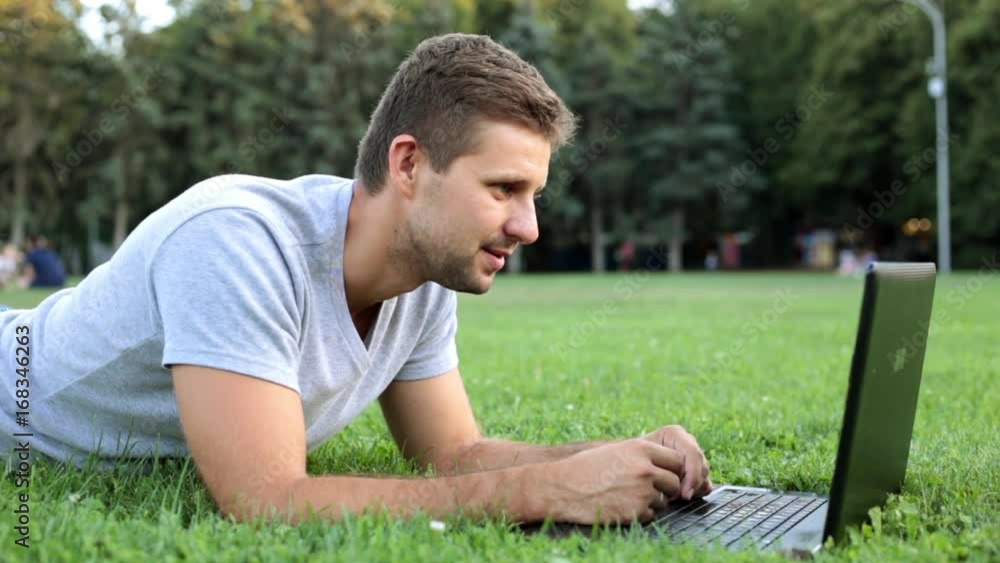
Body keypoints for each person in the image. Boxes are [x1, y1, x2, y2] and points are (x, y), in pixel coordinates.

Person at [0, 34, 711, 527]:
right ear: (408, 165)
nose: (529, 227)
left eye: (534, 195)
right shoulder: (234, 240)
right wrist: (540, 490)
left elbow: (452, 454)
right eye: (504, 188)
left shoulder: (429, 274)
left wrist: (624, 457)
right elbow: (267, 500)